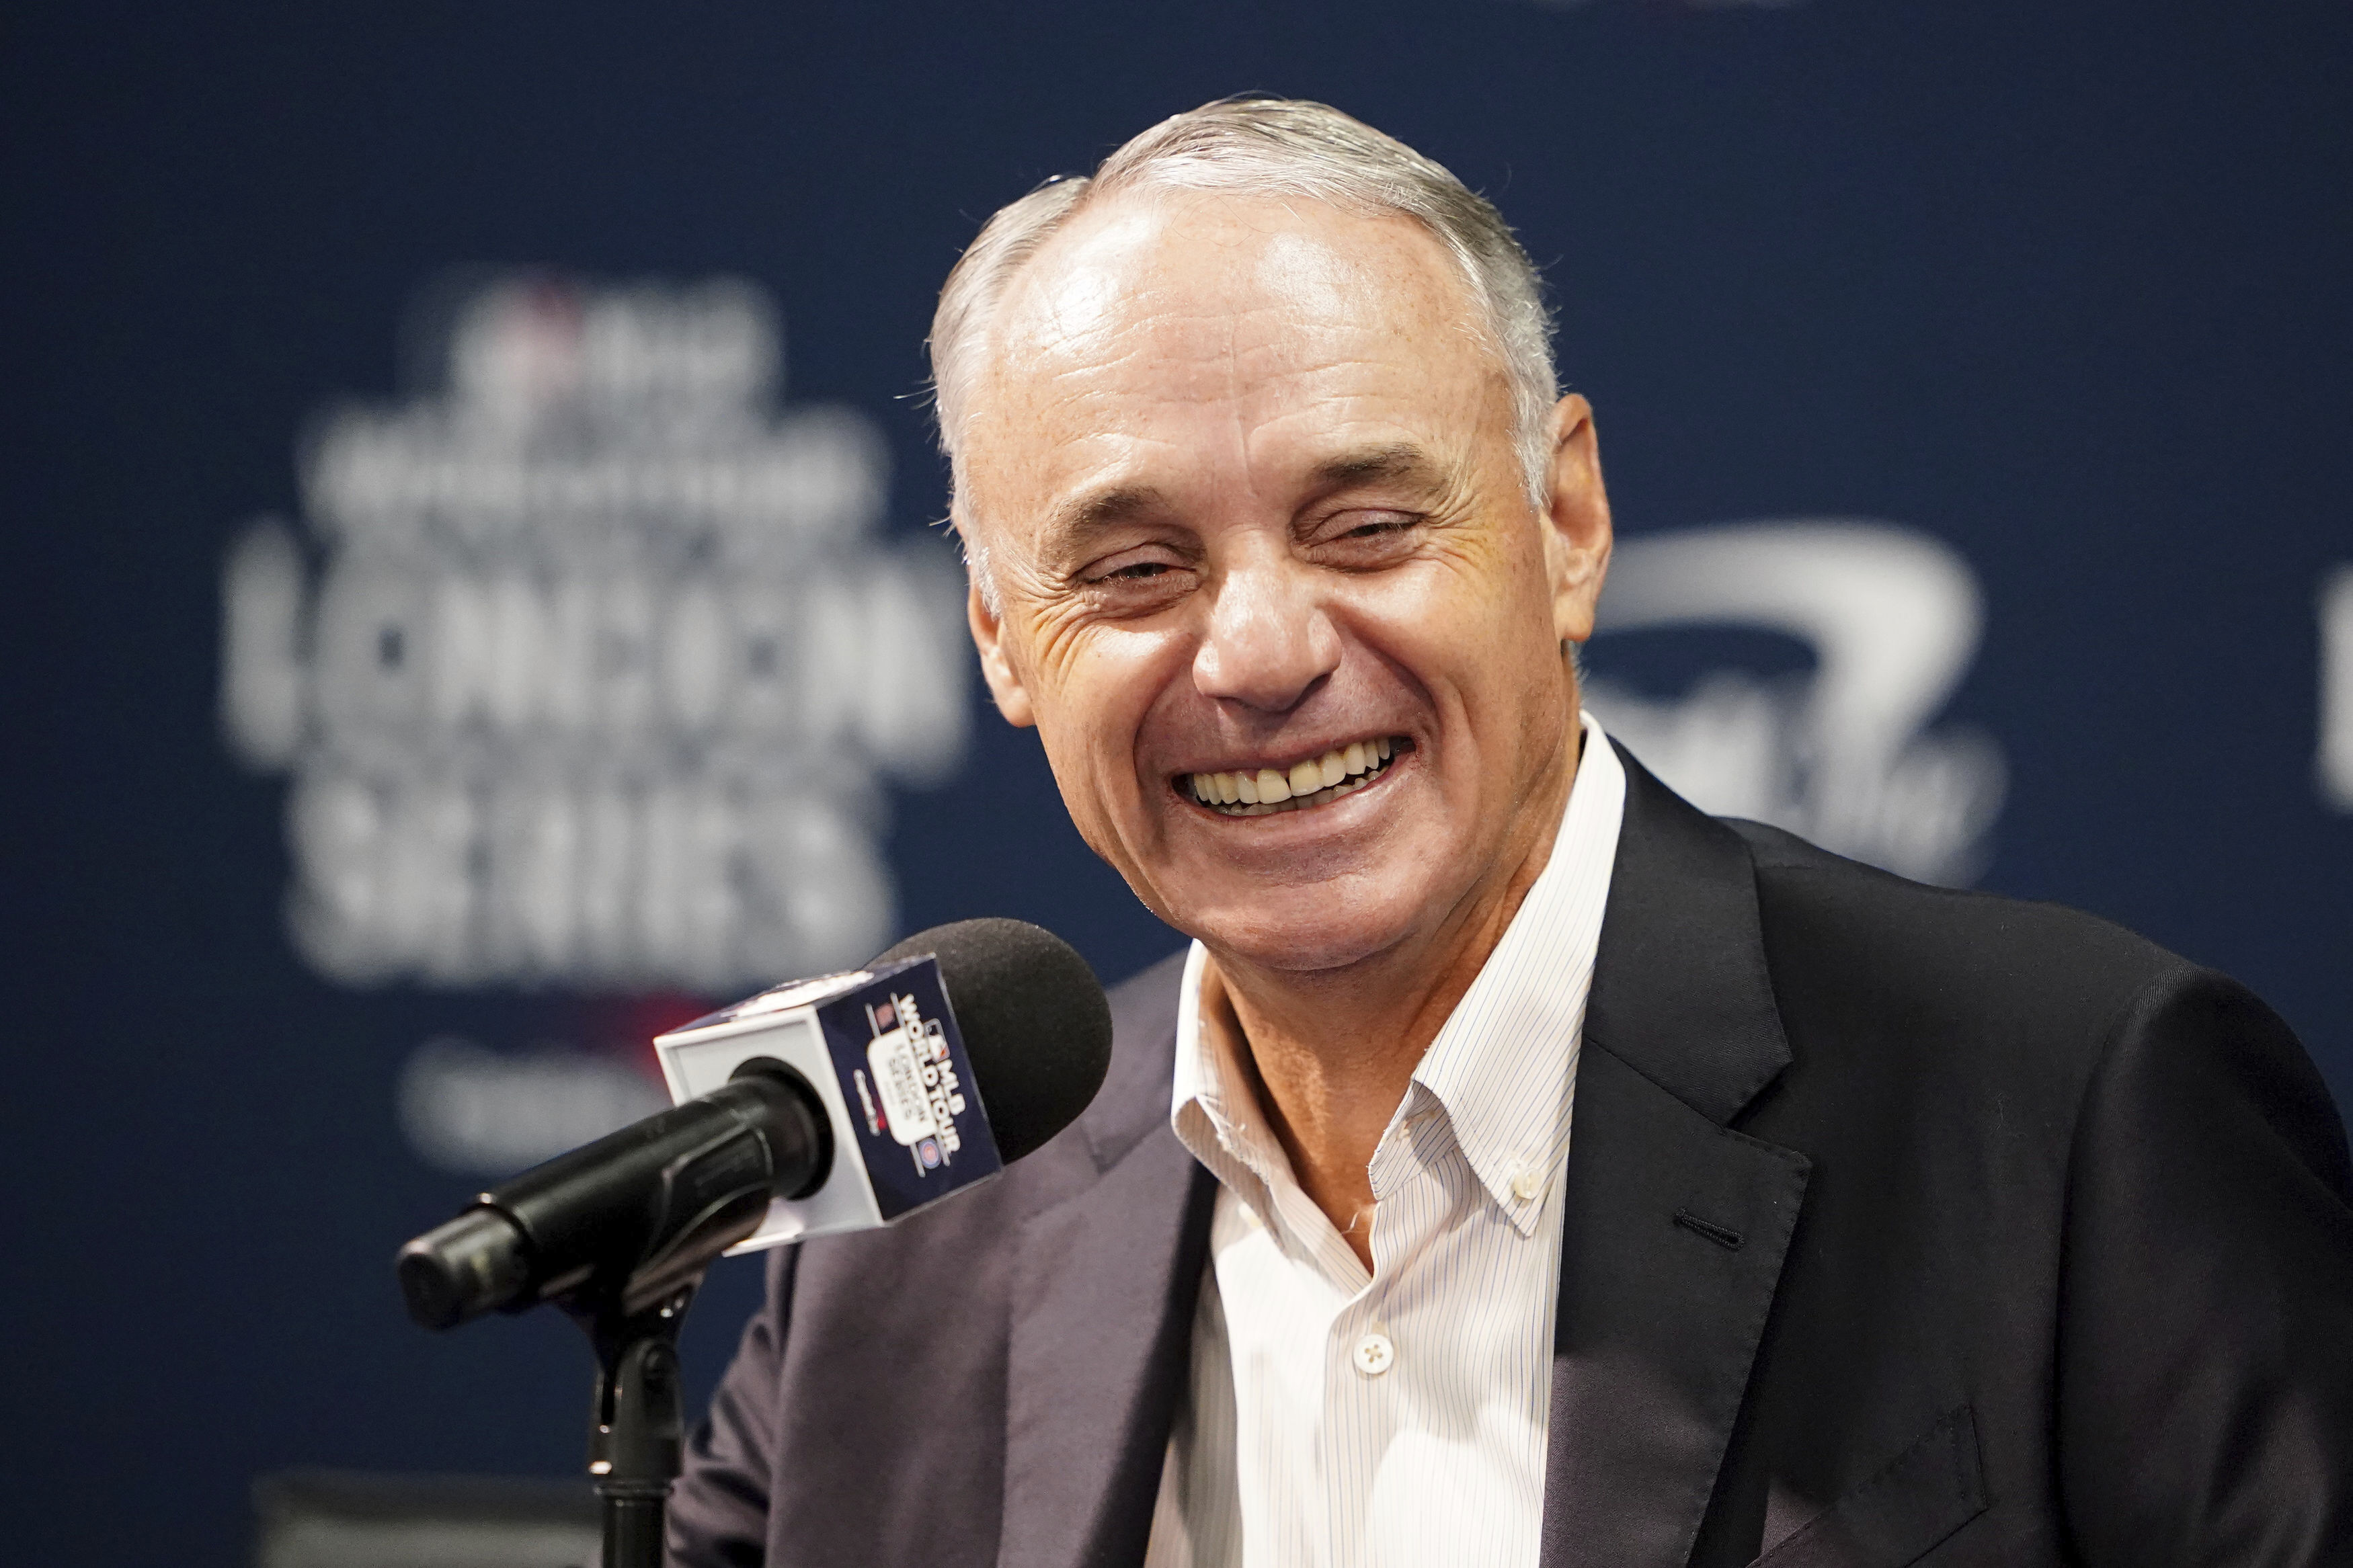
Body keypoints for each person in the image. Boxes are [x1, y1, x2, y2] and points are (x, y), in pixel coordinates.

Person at [666, 98, 2353, 1568]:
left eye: (1369, 524)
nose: (1258, 656)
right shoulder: (912, 1237)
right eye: (1129, 571)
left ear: (1565, 524)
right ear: (996, 636)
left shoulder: (2069, 1110)